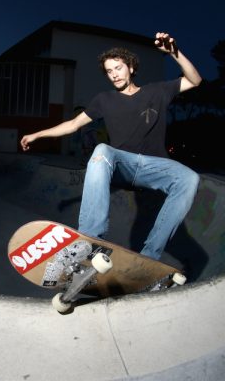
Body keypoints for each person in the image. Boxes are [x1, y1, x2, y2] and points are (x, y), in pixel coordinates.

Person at [20, 32, 202, 260]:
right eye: (109, 71)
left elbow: (195, 80)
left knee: (189, 178)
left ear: (131, 68)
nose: (114, 75)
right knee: (102, 150)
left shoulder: (157, 91)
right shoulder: (103, 100)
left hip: (154, 167)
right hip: (121, 165)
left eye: (118, 68)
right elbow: (73, 124)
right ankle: (90, 241)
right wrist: (37, 134)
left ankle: (149, 257)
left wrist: (175, 53)